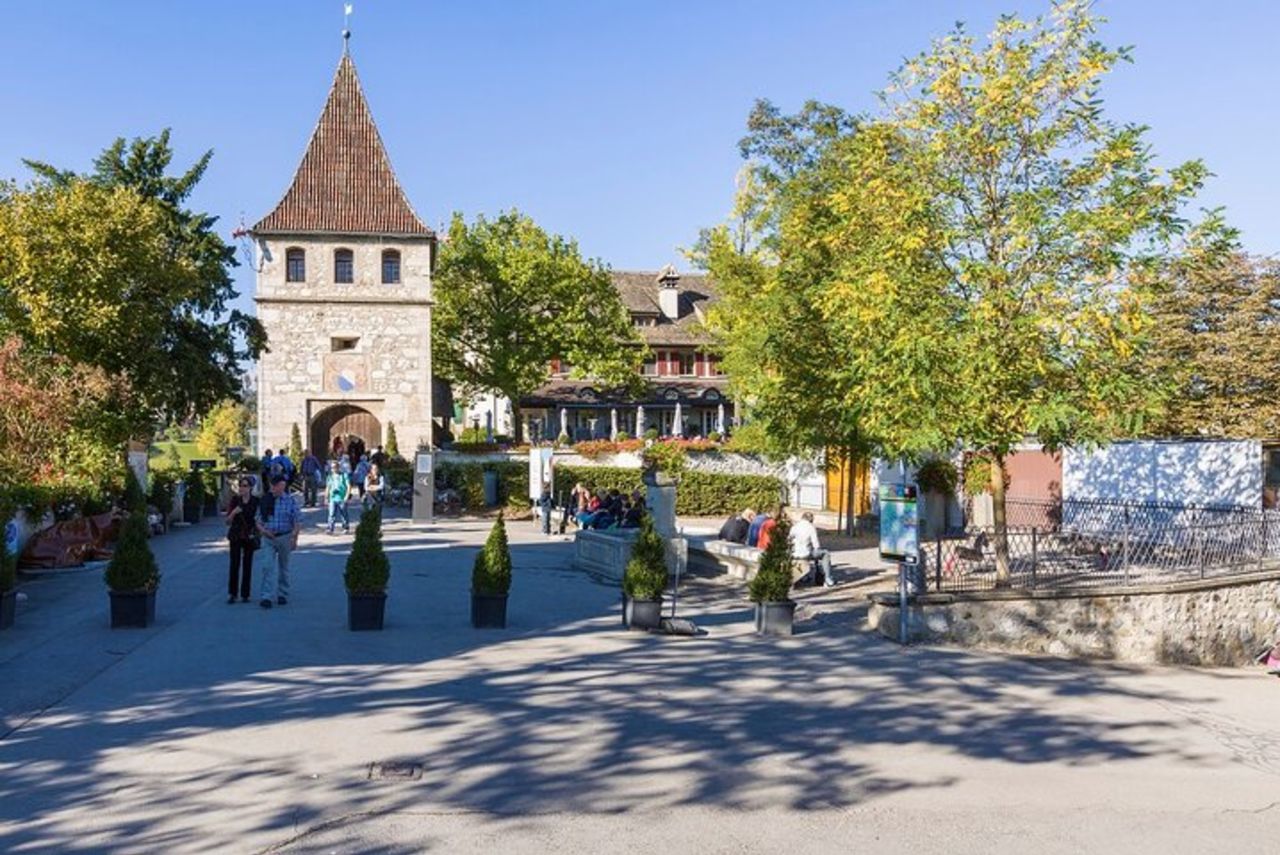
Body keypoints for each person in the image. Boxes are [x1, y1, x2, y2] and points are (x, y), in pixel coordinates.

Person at [256, 475, 301, 608]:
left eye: (282, 486)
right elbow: (257, 520)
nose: (279, 488)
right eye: (276, 486)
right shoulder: (265, 500)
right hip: (268, 537)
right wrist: (264, 531)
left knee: (284, 567)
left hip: (285, 536)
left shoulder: (290, 501)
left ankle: (283, 593)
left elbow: (297, 520)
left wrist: (294, 537)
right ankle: (266, 596)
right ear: (272, 486)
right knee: (267, 566)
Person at [224, 477, 259, 604]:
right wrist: (234, 512)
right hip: (236, 535)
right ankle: (232, 593)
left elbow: (259, 519)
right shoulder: (235, 501)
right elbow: (227, 521)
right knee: (234, 564)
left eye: (245, 485)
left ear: (250, 487)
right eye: (240, 485)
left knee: (247, 564)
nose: (242, 488)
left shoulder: (255, 501)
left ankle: (245, 594)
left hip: (249, 535)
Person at [791, 511, 834, 588]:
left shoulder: (794, 527)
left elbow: (789, 540)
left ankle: (803, 576)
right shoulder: (811, 528)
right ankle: (828, 578)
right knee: (825, 554)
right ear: (811, 520)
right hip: (806, 553)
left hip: (794, 554)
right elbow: (816, 545)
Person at [326, 460, 351, 534]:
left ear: (338, 467)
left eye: (334, 467)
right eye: (332, 468)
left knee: (343, 513)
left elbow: (348, 486)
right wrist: (326, 497)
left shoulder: (344, 475)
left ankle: (345, 527)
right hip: (332, 497)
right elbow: (328, 487)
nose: (333, 469)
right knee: (331, 514)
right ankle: (330, 528)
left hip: (341, 497)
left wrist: (347, 495)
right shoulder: (330, 476)